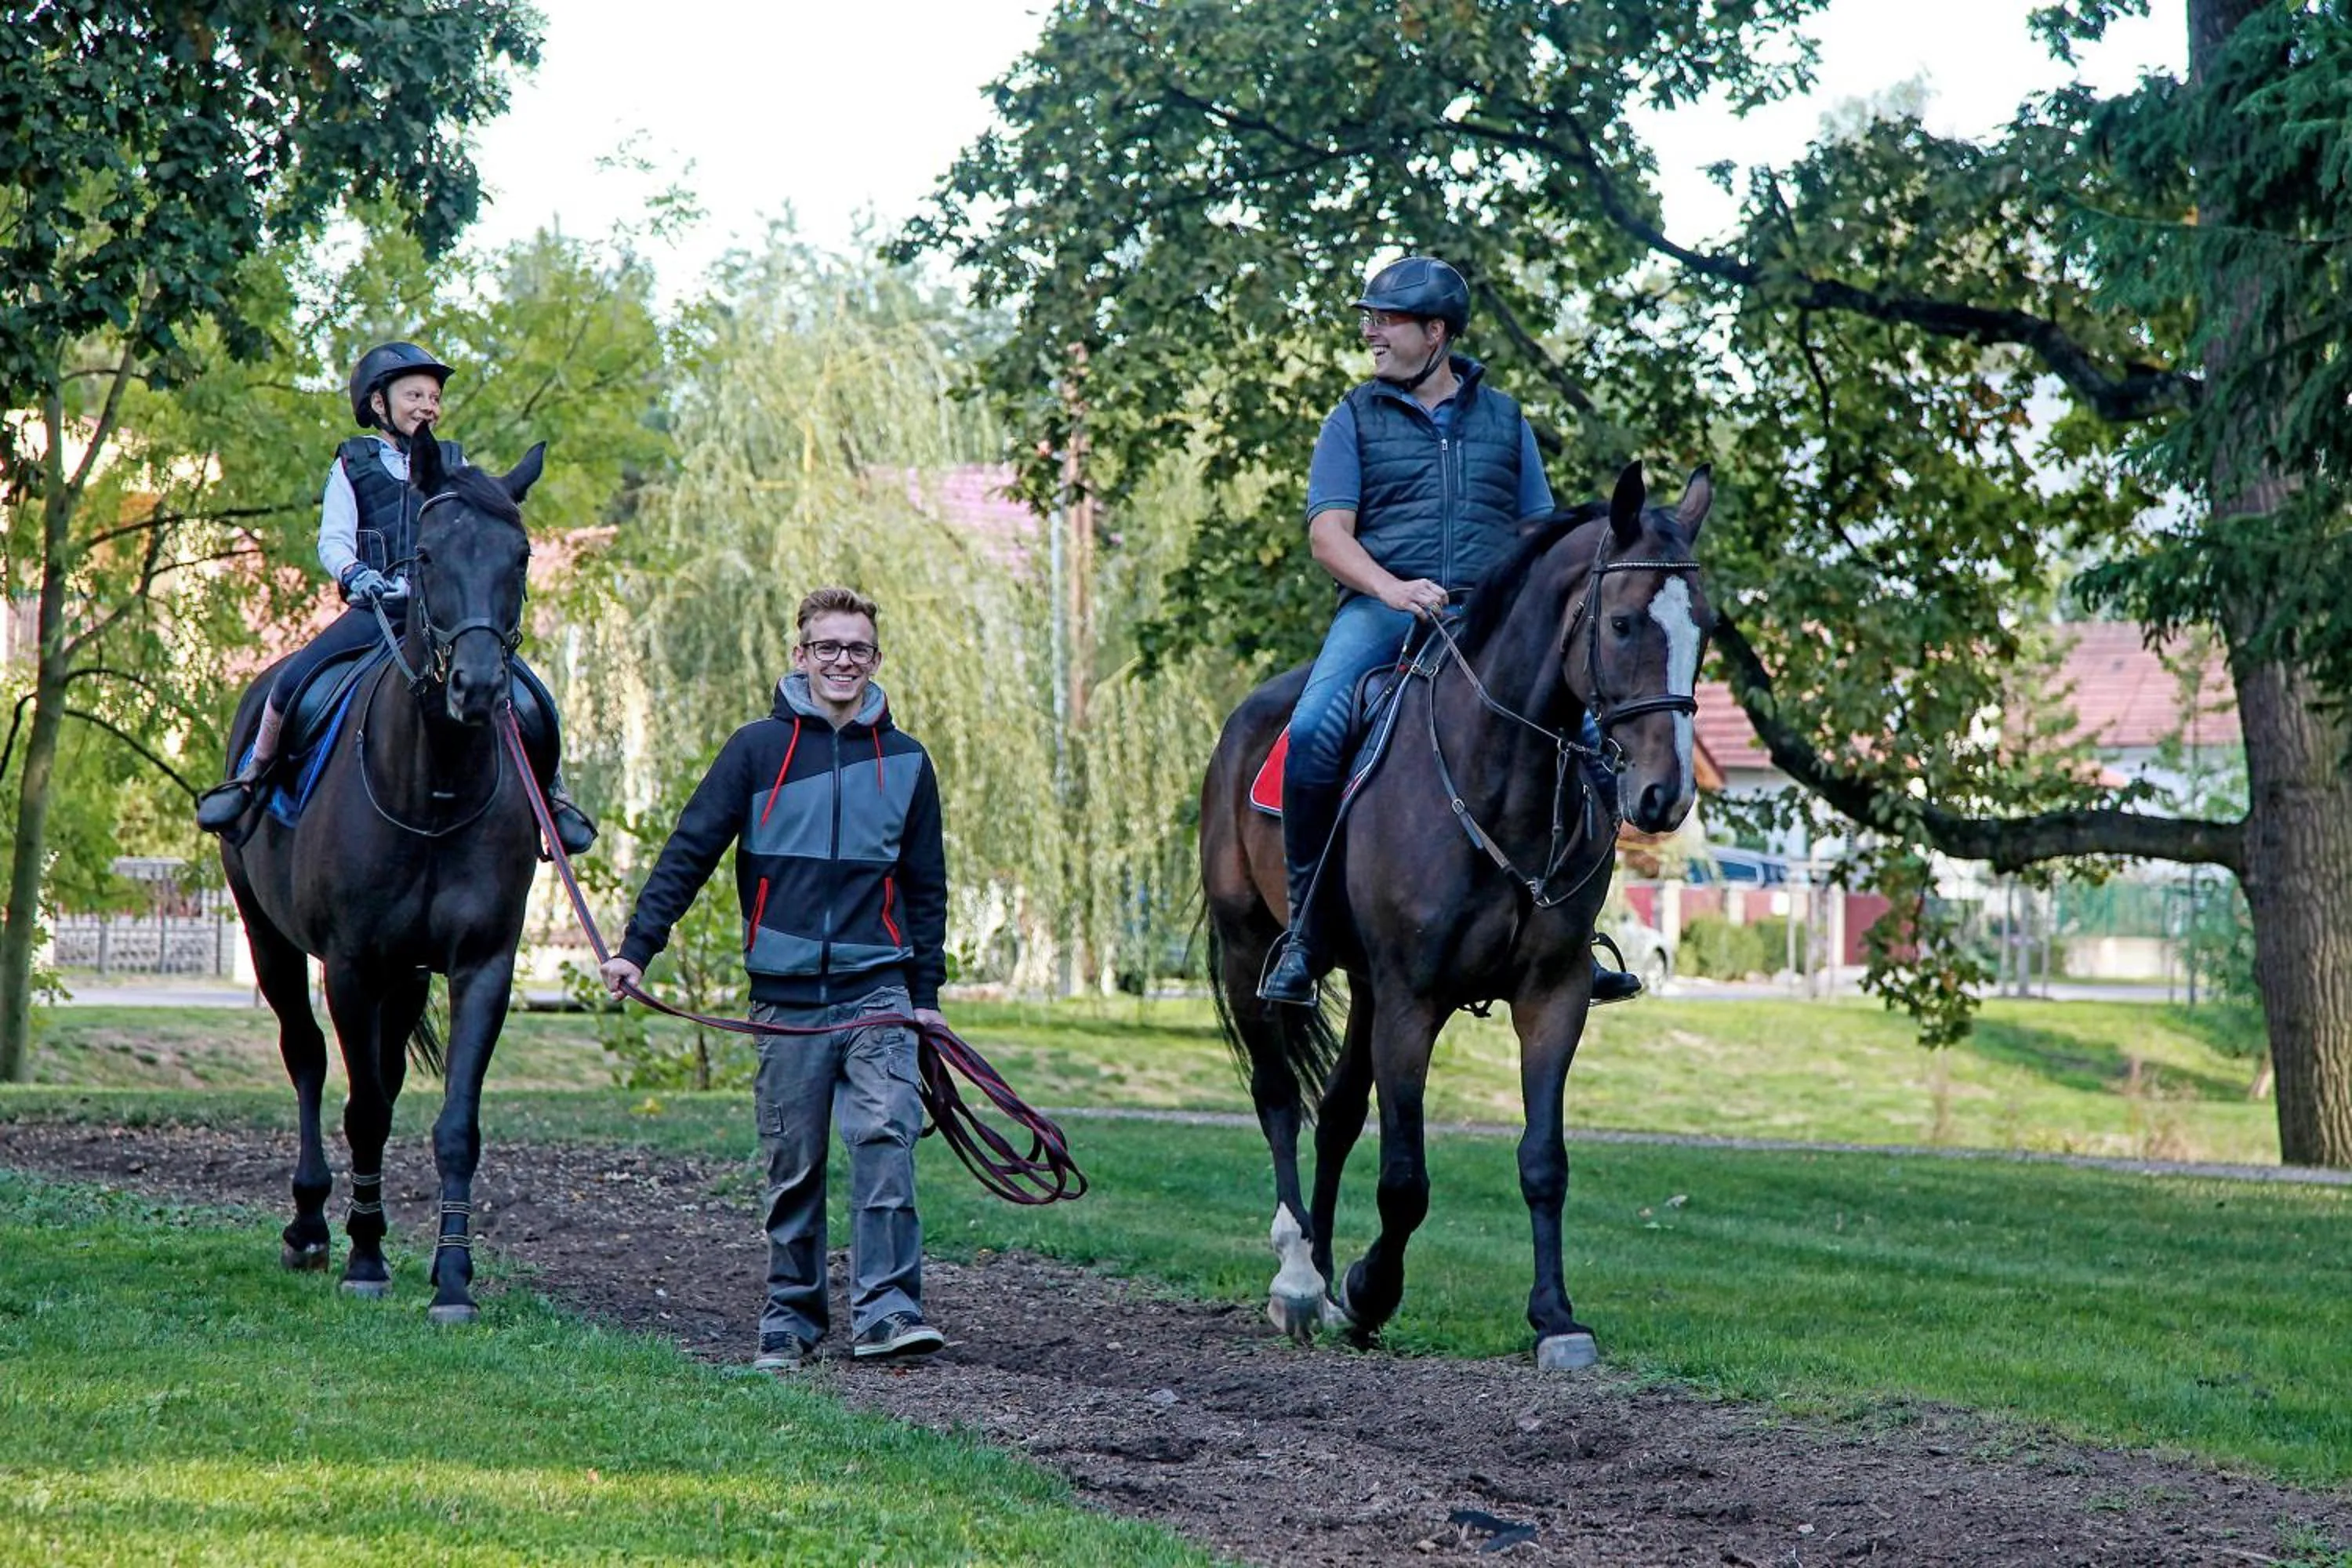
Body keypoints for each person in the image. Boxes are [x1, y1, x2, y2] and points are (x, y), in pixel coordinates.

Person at [1258, 256, 1639, 1007]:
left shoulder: (1505, 420)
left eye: (1385, 320)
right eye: (1369, 318)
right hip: (1382, 607)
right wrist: (1393, 591)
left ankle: (1576, 934)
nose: (1370, 331)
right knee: (1310, 733)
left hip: (1490, 617)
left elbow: (1538, 530)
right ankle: (1303, 934)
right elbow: (1329, 537)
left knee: (1593, 742)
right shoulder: (1353, 417)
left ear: (1435, 333)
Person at [599, 586, 952, 1374]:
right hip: (786, 998)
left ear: (876, 659)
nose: (842, 660)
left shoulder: (908, 761)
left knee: (886, 1138)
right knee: (793, 1167)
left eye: (857, 647)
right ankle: (791, 1318)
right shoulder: (755, 750)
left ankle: (890, 1310)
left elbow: (928, 887)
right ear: (800, 654)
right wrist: (637, 948)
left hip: (877, 991)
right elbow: (688, 852)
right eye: (827, 646)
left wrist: (925, 998)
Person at [194, 340, 597, 855]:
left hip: (442, 618)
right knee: (293, 681)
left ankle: (554, 796)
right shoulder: (352, 463)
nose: (428, 405)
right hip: (378, 610)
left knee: (534, 696)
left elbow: (471, 528)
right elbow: (333, 538)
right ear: (379, 404)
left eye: (434, 397)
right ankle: (254, 775)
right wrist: (356, 573)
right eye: (415, 395)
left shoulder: (454, 462)